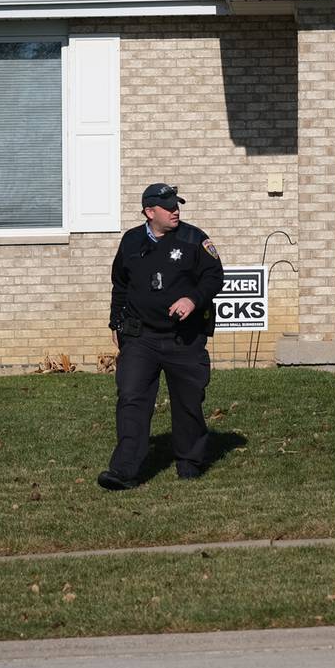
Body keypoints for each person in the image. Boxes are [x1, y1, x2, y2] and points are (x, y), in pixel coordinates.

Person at [97, 183, 224, 490]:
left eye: (176, 205)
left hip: (184, 338)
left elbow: (214, 276)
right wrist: (116, 323)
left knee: (188, 402)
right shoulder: (130, 241)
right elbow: (120, 284)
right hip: (141, 338)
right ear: (149, 212)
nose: (175, 210)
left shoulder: (195, 239)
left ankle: (190, 463)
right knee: (131, 398)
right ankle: (125, 470)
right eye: (168, 207)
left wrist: (192, 299)